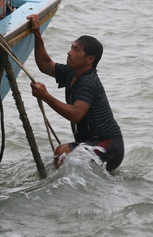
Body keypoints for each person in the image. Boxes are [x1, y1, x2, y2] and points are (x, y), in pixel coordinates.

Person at [28, 14, 124, 171]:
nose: (69, 52)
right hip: (93, 143)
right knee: (65, 156)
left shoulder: (88, 82)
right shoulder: (71, 72)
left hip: (109, 145)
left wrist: (46, 96)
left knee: (61, 152)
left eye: (76, 50)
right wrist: (37, 34)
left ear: (89, 59)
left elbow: (76, 114)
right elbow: (45, 64)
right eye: (71, 48)